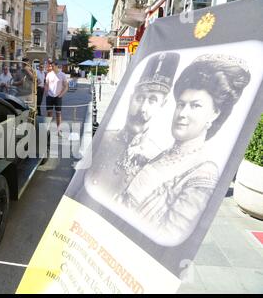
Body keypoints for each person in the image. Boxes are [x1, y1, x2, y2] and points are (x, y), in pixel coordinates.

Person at [117, 54, 251, 246]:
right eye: (181, 104)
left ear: (215, 113)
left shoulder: (202, 174)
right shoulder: (162, 154)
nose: (183, 113)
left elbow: (168, 237)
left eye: (195, 106)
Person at [84, 52, 180, 202]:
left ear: (163, 104)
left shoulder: (157, 158)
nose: (142, 108)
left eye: (153, 100)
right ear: (131, 98)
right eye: (140, 97)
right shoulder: (103, 138)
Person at [45, 60, 68, 136]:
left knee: (58, 114)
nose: (51, 67)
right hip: (49, 96)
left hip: (58, 97)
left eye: (52, 66)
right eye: (51, 66)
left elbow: (66, 86)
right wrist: (46, 93)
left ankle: (58, 130)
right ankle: (48, 130)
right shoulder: (49, 74)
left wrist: (61, 95)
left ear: (57, 66)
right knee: (49, 113)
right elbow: (46, 84)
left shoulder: (62, 75)